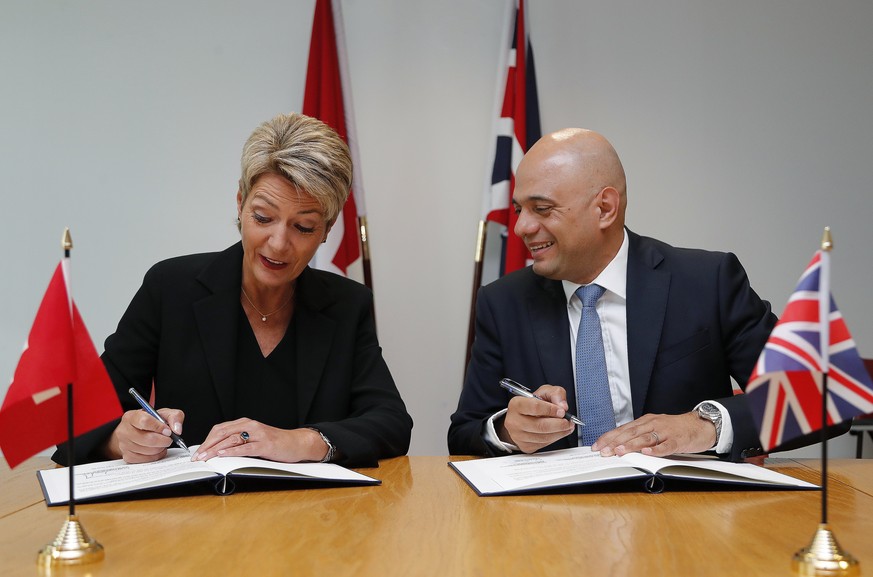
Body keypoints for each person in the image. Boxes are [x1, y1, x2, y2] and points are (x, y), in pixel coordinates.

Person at [54, 112, 412, 468]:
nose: (278, 243)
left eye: (303, 227)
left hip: (310, 515)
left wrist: (299, 440)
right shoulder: (170, 288)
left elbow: (391, 423)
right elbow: (73, 419)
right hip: (192, 515)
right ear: (240, 203)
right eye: (262, 217)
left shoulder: (346, 305)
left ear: (327, 229)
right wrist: (121, 439)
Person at [448, 128, 777, 463]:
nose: (521, 228)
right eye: (520, 210)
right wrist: (507, 431)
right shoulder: (503, 303)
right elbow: (463, 433)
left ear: (605, 208)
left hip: (685, 507)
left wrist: (706, 425)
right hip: (553, 511)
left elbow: (814, 392)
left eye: (543, 209)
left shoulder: (706, 281)